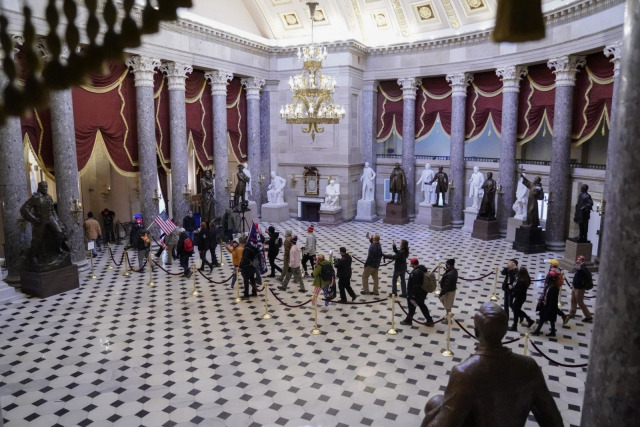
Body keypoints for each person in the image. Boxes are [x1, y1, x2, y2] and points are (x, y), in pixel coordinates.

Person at [422, 302, 563, 427]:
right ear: (504, 331)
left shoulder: (465, 373)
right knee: (435, 403)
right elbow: (552, 419)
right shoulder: (529, 366)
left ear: (476, 332)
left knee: (434, 404)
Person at [401, 258, 435, 327]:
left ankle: (408, 320)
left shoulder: (416, 272)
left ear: (413, 264)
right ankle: (429, 320)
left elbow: (415, 285)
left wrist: (411, 295)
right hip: (422, 293)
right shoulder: (422, 269)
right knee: (422, 305)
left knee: (412, 307)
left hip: (415, 294)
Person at [532, 261, 562, 337]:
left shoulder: (553, 288)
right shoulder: (551, 285)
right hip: (549, 305)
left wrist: (545, 305)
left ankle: (537, 331)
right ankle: (552, 332)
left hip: (548, 306)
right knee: (551, 319)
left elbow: (550, 298)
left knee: (543, 318)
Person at [510, 266, 535, 331]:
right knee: (517, 310)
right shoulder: (526, 279)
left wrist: (512, 288)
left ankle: (515, 326)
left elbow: (518, 291)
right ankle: (529, 320)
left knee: (516, 311)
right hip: (522, 297)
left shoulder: (521, 281)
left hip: (519, 298)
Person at [569, 255, 593, 322]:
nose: (577, 260)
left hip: (580, 288)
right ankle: (572, 313)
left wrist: (580, 269)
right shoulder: (578, 266)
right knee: (573, 300)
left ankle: (588, 316)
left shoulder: (584, 268)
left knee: (580, 302)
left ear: (582, 260)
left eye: (578, 259)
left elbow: (586, 275)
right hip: (575, 286)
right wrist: (573, 284)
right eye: (577, 259)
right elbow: (577, 277)